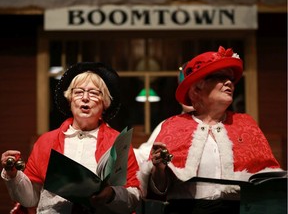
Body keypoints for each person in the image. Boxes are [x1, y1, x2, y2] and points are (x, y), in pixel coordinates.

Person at [138, 46, 282, 214]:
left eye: (231, 79)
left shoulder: (246, 124)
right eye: (221, 77)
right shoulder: (174, 125)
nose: (229, 83)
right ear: (197, 88)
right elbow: (158, 192)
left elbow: (270, 184)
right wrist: (159, 169)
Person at [1, 62, 141, 214]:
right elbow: (31, 199)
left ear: (104, 103)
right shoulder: (46, 142)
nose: (85, 98)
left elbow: (134, 198)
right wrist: (13, 175)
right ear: (70, 99)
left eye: (94, 93)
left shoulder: (118, 143)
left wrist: (111, 195)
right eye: (79, 92)